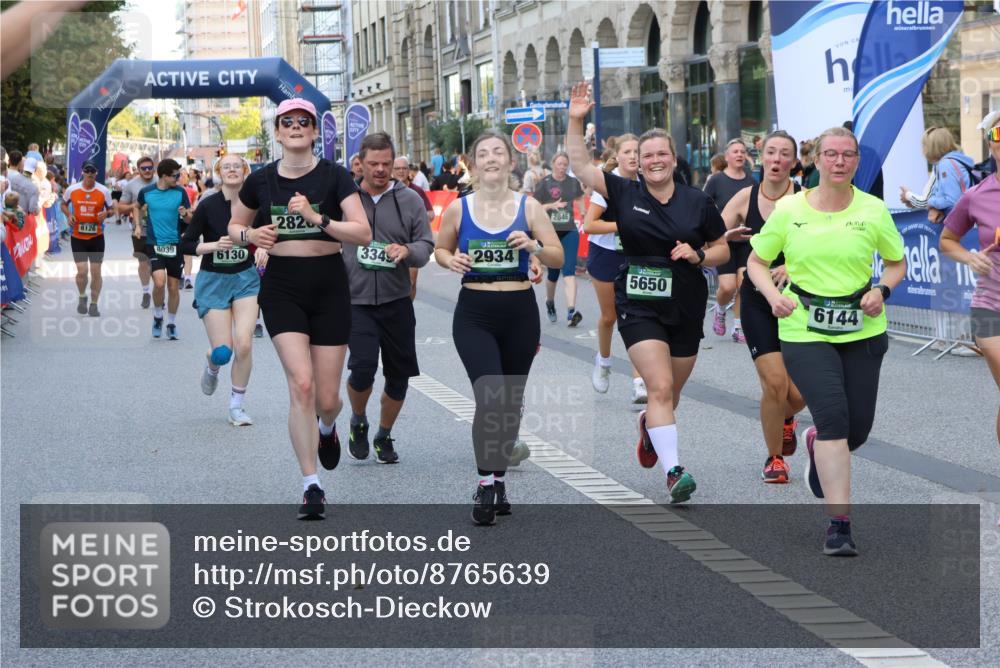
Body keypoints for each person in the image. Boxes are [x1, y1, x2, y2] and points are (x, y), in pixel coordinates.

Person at [566, 82, 730, 504]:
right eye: (647, 156)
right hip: (638, 301)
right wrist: (575, 119)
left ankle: (649, 425)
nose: (654, 161)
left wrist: (697, 255)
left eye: (662, 154)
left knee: (669, 395)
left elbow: (723, 248)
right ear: (637, 164)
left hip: (686, 303)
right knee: (657, 387)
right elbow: (583, 168)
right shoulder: (624, 192)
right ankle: (674, 471)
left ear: (674, 160)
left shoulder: (697, 201)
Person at [747, 126, 905, 556]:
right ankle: (840, 525)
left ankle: (818, 445)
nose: (839, 161)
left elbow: (896, 263)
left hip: (862, 329)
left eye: (847, 155)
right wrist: (774, 296)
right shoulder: (790, 209)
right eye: (830, 154)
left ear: (856, 162)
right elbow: (757, 261)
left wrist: (882, 291)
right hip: (805, 328)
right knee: (834, 418)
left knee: (856, 430)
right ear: (816, 161)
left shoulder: (873, 210)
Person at [227, 98, 370, 520]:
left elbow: (362, 232)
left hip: (329, 286)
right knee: (302, 385)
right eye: (286, 122)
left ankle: (327, 429)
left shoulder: (335, 176)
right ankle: (311, 485)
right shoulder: (261, 180)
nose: (294, 127)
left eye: (302, 121)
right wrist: (251, 236)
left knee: (328, 398)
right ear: (276, 132)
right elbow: (235, 227)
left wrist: (316, 217)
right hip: (283, 287)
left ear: (312, 131)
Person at [434, 130, 563, 525]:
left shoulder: (530, 207)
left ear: (510, 162)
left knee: (508, 403)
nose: (491, 159)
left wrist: (534, 247)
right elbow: (440, 248)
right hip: (475, 311)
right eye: (483, 154)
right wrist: (448, 260)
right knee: (490, 396)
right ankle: (485, 483)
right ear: (472, 165)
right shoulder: (460, 208)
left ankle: (498, 478)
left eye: (498, 153)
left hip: (520, 311)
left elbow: (557, 255)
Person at [720, 131, 806, 483]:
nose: (777, 160)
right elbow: (710, 238)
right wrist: (726, 238)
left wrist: (795, 265)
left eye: (785, 154)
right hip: (756, 297)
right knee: (774, 384)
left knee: (799, 393)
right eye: (771, 152)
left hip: (800, 298)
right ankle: (774, 459)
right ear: (761, 156)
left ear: (793, 162)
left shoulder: (807, 199)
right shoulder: (745, 197)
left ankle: (784, 418)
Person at [344, 133, 434, 463]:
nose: (381, 170)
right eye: (373, 164)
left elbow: (426, 246)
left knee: (398, 375)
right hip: (356, 301)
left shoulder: (409, 200)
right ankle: (358, 420)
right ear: (360, 163)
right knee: (363, 367)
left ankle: (383, 434)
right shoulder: (347, 200)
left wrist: (408, 250)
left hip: (397, 300)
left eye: (387, 164)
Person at [180, 154, 261, 426]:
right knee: (223, 351)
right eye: (226, 166)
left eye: (237, 166)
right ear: (218, 172)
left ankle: (236, 407)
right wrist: (213, 246)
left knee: (245, 343)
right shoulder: (208, 205)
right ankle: (212, 362)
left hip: (246, 279)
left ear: (245, 171)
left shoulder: (257, 205)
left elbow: (270, 235)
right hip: (214, 280)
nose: (232, 170)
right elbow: (187, 244)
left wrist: (263, 249)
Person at [940, 116, 1000, 443]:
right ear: (990, 141)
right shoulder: (976, 195)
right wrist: (970, 257)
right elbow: (947, 240)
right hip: (991, 308)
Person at [900, 126, 978, 356]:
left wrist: (930, 202)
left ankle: (967, 340)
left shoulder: (944, 165)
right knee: (964, 285)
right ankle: (965, 339)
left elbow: (951, 198)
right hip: (970, 227)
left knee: (957, 285)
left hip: (959, 229)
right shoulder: (963, 161)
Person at [582, 134, 647, 405]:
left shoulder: (647, 183)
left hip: (635, 255)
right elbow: (589, 225)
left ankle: (639, 381)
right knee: (610, 317)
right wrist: (623, 226)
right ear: (617, 156)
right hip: (606, 254)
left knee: (635, 317)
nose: (633, 157)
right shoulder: (606, 185)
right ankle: (604, 361)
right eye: (628, 152)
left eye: (637, 152)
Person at [705, 138, 755, 342]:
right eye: (735, 151)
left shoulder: (752, 181)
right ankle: (720, 309)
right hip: (724, 240)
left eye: (743, 151)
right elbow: (704, 206)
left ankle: (739, 326)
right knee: (727, 286)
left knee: (743, 284)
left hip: (746, 240)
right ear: (727, 157)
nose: (740, 155)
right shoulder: (716, 181)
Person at [137, 158, 192, 340]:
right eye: (175, 176)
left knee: (173, 286)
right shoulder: (146, 192)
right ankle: (158, 316)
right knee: (159, 282)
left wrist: (185, 215)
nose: (179, 178)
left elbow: (190, 219)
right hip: (155, 244)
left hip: (175, 244)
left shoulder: (180, 192)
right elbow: (137, 207)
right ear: (164, 176)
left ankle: (171, 323)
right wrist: (138, 225)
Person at [534, 151, 586, 327]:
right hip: (551, 233)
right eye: (560, 164)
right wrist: (551, 205)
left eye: (565, 164)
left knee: (569, 271)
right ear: (553, 164)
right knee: (554, 274)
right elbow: (535, 207)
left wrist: (584, 212)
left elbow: (579, 197)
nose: (562, 167)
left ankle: (571, 311)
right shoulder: (544, 184)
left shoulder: (572, 182)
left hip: (570, 231)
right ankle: (550, 302)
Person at [61, 160, 112, 316]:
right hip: (78, 237)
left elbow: (112, 209)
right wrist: (69, 215)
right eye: (87, 171)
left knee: (96, 273)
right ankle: (82, 296)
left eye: (93, 171)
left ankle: (94, 304)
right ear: (82, 171)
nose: (90, 174)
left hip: (96, 237)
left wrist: (106, 214)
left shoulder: (103, 191)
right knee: (82, 271)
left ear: (97, 172)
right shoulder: (72, 190)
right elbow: (62, 204)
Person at [118, 156, 157, 308]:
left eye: (150, 168)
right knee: (143, 261)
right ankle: (146, 291)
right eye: (144, 168)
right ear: (138, 170)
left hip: (160, 229)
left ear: (153, 168)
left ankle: (158, 291)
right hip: (140, 229)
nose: (147, 171)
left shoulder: (162, 181)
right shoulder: (131, 185)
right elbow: (121, 207)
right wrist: (137, 205)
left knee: (159, 262)